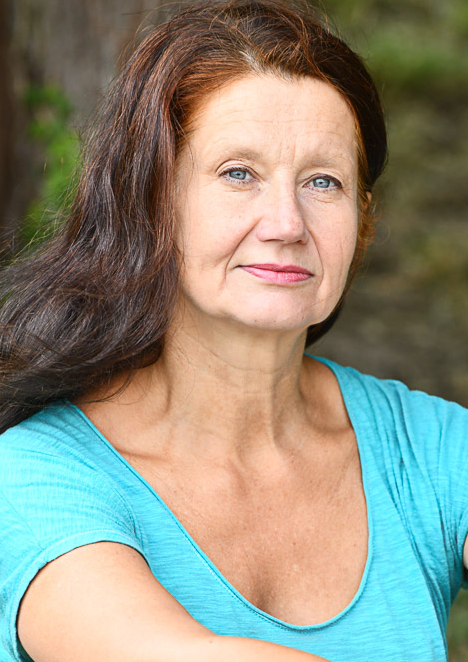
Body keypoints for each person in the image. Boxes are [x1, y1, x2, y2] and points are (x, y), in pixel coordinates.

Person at [0, 0, 466, 660]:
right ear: (152, 200)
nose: (287, 224)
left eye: (323, 182)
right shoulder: (32, 477)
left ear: (362, 221)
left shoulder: (432, 448)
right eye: (239, 174)